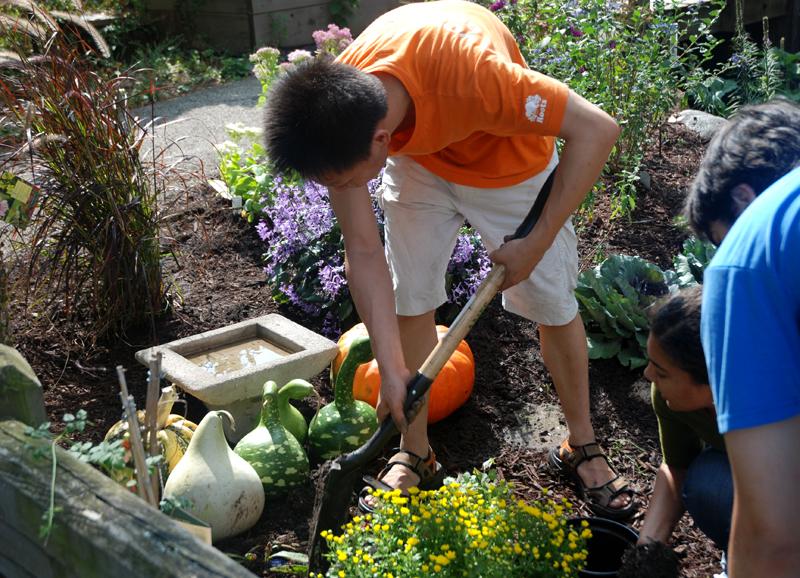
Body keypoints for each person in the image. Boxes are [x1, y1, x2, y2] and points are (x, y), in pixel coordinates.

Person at [264, 0, 635, 519]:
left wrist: (537, 239)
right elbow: (364, 251)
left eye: (346, 181)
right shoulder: (343, 113)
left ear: (380, 139)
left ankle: (582, 442)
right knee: (410, 294)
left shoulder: (477, 75)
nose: (344, 191)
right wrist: (392, 369)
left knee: (551, 302)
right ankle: (415, 451)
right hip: (419, 161)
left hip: (508, 162)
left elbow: (599, 129)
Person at [684, 98, 800, 577]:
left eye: (718, 238)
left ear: (744, 200)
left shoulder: (752, 248)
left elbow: (773, 532)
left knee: (714, 485)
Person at [639, 286, 731, 568]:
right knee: (708, 485)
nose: (648, 375)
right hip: (754, 471)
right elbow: (677, 468)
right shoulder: (670, 398)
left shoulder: (774, 406)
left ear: (713, 381)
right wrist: (644, 554)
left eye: (662, 372)